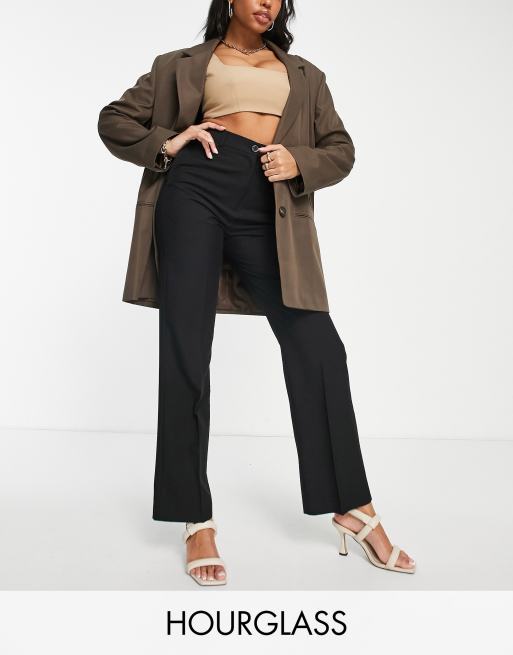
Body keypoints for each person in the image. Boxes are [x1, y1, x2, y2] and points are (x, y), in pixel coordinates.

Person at [98, 0, 416, 586]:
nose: (268, 2)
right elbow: (115, 119)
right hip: (195, 189)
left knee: (318, 347)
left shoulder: (305, 75)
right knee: (187, 349)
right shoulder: (178, 64)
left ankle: (352, 505)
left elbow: (341, 149)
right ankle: (195, 518)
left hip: (269, 203)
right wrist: (171, 142)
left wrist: (299, 160)